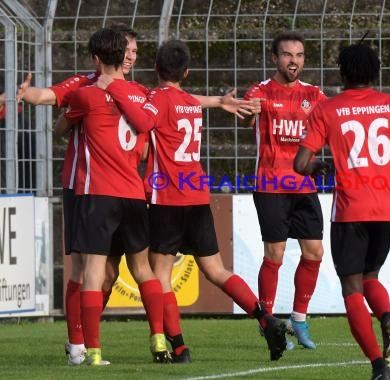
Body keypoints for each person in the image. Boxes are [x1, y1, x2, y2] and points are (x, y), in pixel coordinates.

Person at [18, 22, 252, 365]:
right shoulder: (108, 89)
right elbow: (48, 96)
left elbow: (60, 123)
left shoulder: (126, 92)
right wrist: (28, 94)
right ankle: (81, 344)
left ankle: (98, 346)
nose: (131, 56)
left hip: (103, 190)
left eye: (136, 52)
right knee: (92, 271)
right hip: (85, 185)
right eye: (127, 49)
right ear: (113, 52)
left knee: (102, 272)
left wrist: (216, 101)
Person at [96, 39, 289, 362]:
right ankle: (264, 317)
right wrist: (216, 101)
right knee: (216, 270)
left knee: (160, 276)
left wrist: (113, 89)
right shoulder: (188, 101)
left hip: (167, 197)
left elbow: (143, 121)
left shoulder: (156, 99)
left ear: (155, 68)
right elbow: (182, 101)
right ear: (186, 72)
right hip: (197, 195)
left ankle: (179, 347)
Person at [294, 43, 390, 380]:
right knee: (371, 276)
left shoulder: (328, 109)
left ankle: (377, 366)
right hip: (385, 209)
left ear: (342, 74)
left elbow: (299, 163)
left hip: (349, 210)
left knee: (352, 288)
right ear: (375, 73)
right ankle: (386, 316)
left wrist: (319, 166)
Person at [64, 27, 171, 366]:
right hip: (134, 194)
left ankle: (91, 352)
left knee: (92, 271)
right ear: (123, 55)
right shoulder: (140, 93)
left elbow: (60, 126)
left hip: (98, 194)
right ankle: (157, 338)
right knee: (143, 268)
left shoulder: (85, 96)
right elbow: (146, 123)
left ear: (96, 58)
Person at [240, 31, 326, 350]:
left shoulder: (315, 94)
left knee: (314, 252)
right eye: (288, 55)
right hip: (271, 184)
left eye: (300, 55)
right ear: (275, 58)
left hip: (304, 186)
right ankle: (270, 323)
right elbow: (246, 115)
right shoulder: (261, 92)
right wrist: (246, 111)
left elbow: (333, 122)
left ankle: (300, 320)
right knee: (274, 254)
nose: (294, 61)